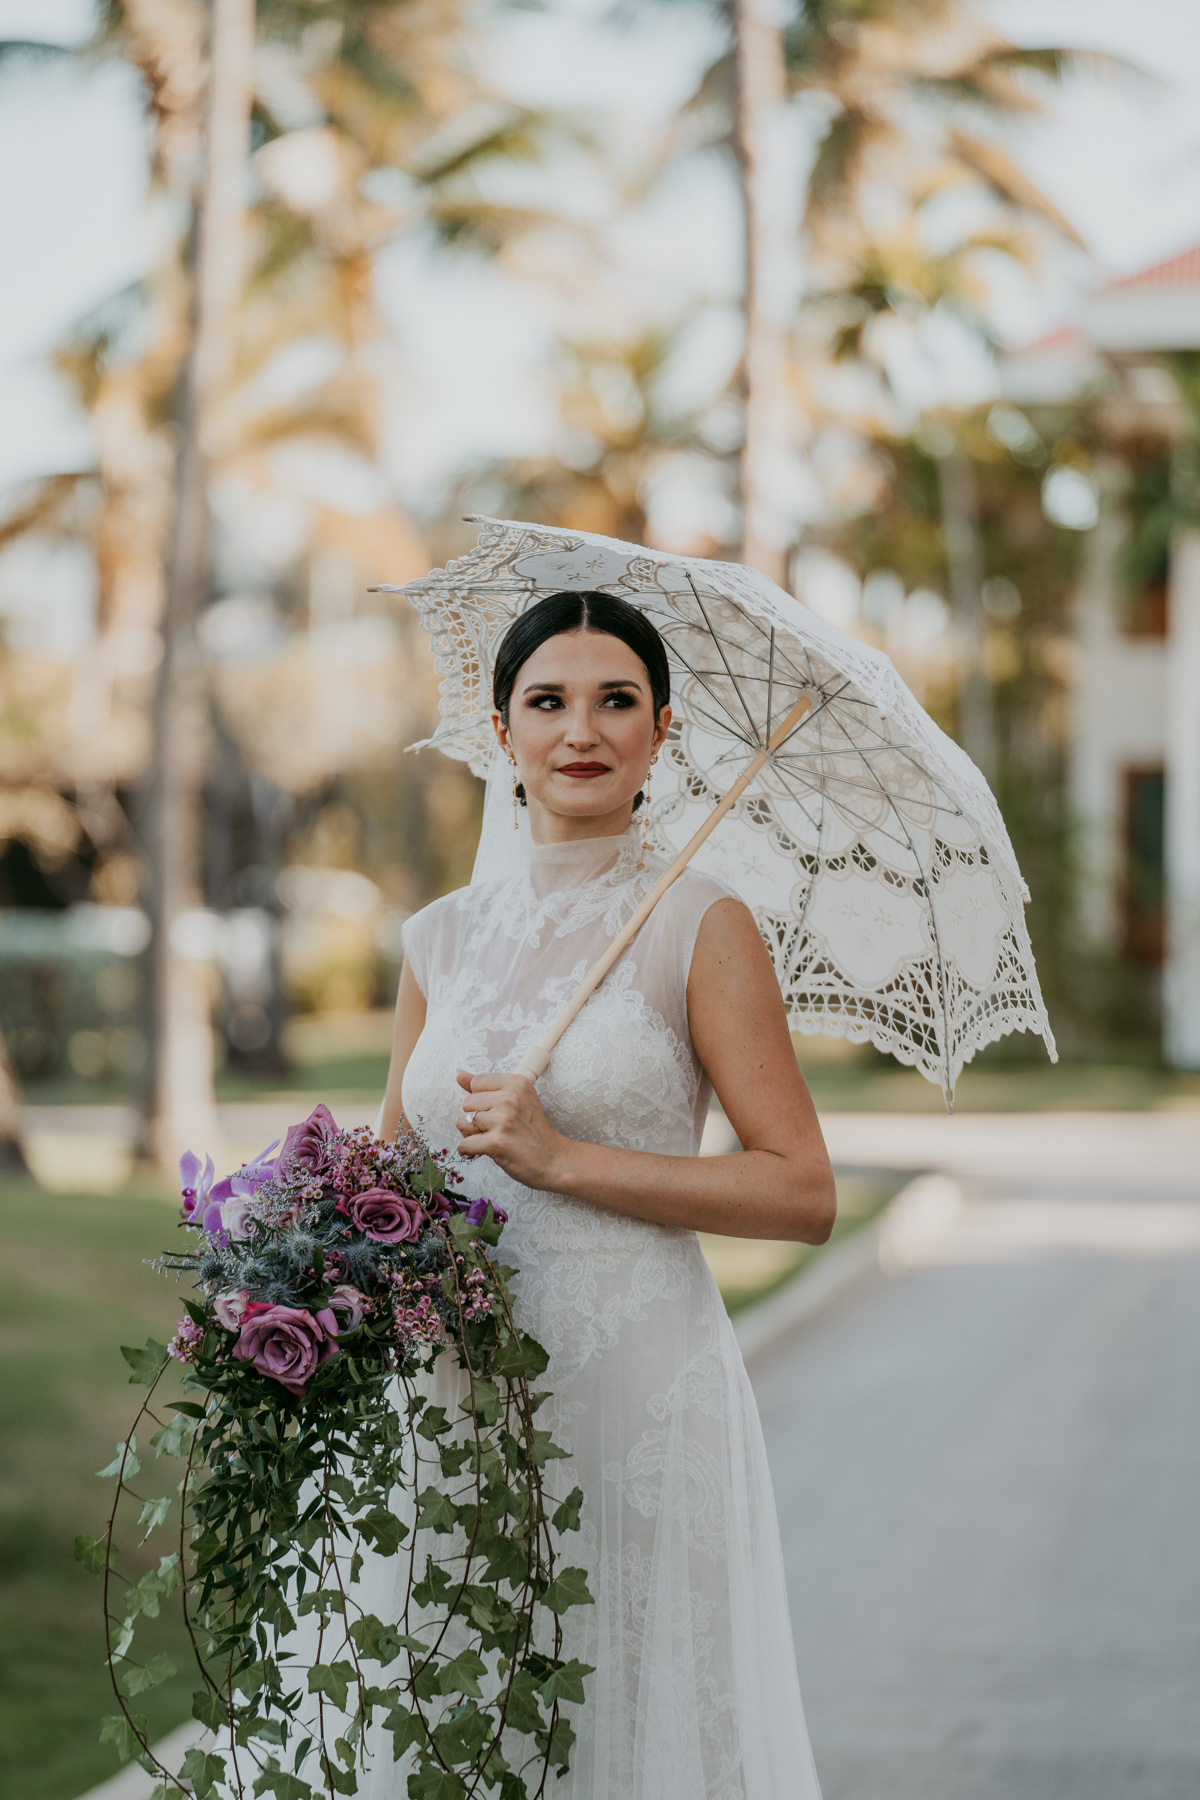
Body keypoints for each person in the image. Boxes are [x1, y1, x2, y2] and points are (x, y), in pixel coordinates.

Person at [377, 590, 835, 1799]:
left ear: (663, 730)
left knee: (620, 1729)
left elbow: (801, 1193)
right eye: (549, 700)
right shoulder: (438, 939)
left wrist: (563, 1158)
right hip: (454, 1396)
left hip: (634, 1392)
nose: (582, 729)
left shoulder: (702, 923)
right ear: (499, 731)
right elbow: (385, 1185)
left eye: (616, 700)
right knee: (459, 1723)